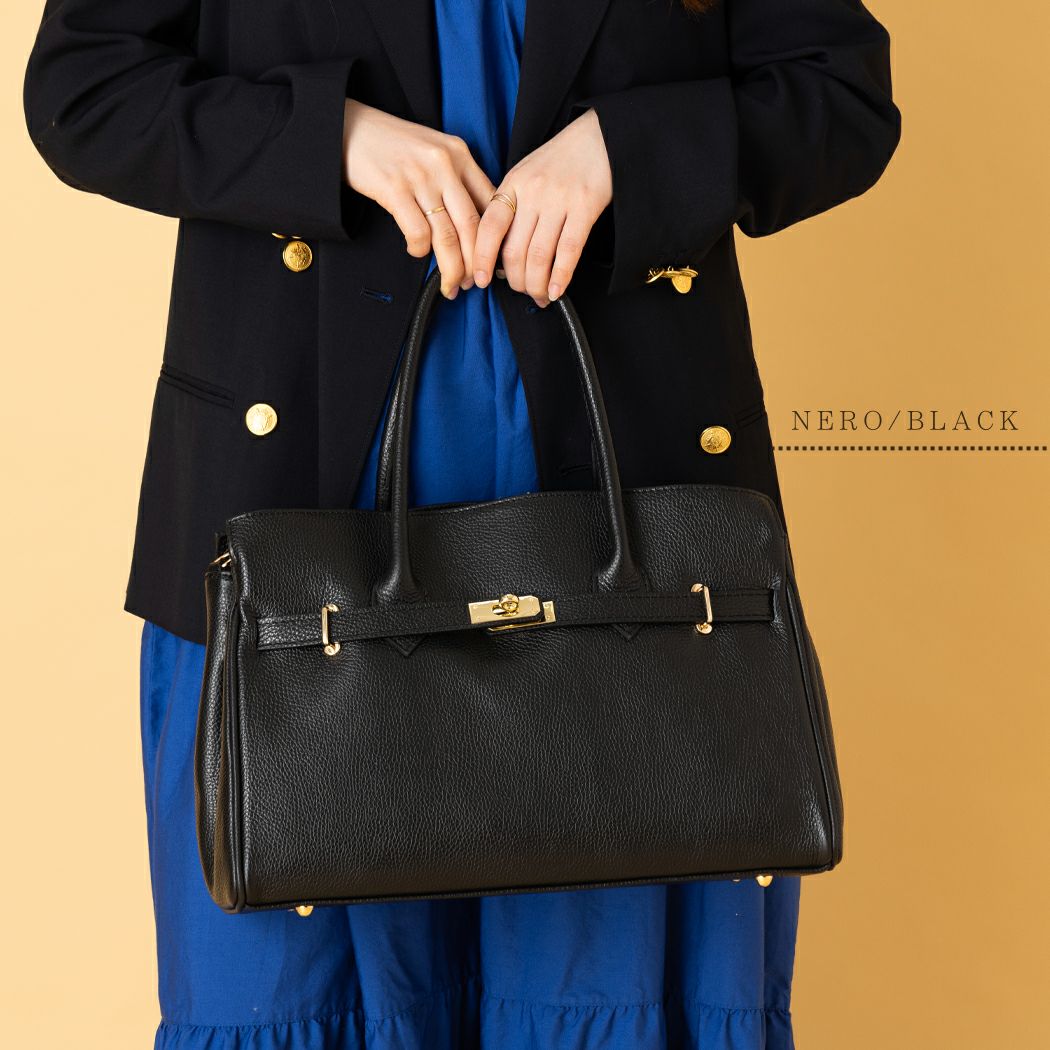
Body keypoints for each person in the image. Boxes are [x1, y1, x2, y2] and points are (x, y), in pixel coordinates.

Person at [23, 0, 900, 1046]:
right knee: (295, 989)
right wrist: (330, 137)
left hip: (639, 540)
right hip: (297, 519)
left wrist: (628, 151)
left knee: (615, 989)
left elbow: (841, 97)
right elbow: (85, 88)